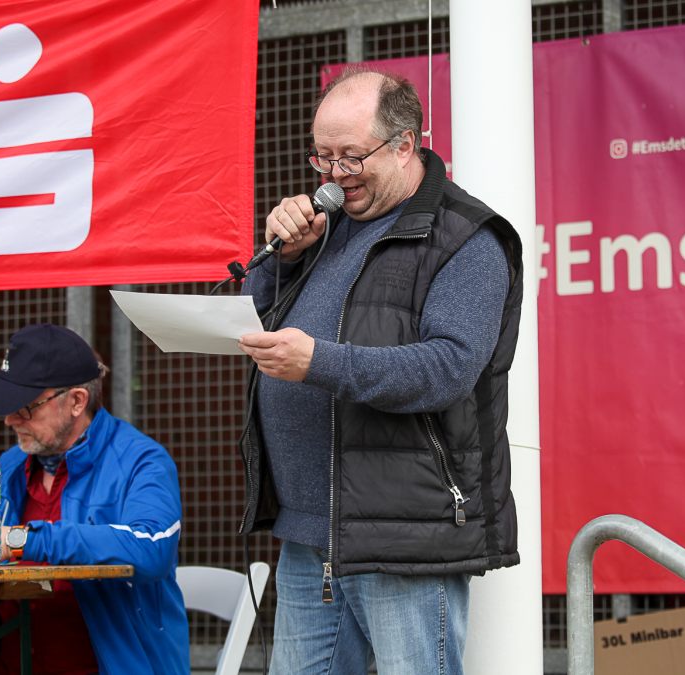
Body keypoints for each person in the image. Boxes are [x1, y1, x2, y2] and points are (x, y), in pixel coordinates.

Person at [238, 67, 524, 674]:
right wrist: (280, 261)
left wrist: (319, 361)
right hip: (309, 531)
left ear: (404, 144)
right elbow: (253, 317)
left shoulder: (466, 239)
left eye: (349, 157)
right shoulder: (324, 229)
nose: (334, 177)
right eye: (322, 158)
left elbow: (446, 370)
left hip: (405, 538)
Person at [0, 324, 189, 675]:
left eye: (25, 407)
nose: (10, 420)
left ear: (75, 401)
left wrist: (19, 539)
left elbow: (152, 549)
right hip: (3, 663)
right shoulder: (13, 462)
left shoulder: (142, 460)